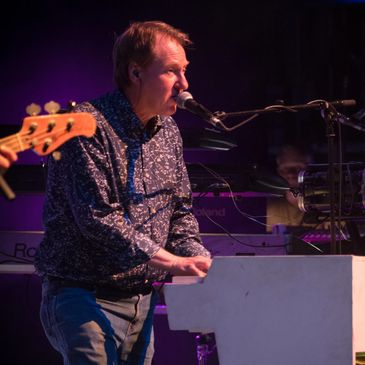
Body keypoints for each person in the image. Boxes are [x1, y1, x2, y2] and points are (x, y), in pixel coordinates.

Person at [34, 20, 212, 365]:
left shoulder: (169, 131)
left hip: (140, 299)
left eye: (185, 71)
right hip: (82, 293)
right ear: (135, 73)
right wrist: (172, 261)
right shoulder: (83, 125)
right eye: (173, 72)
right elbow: (98, 218)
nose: (185, 85)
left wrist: (198, 258)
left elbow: (178, 212)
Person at [266, 144, 313, 232]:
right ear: (278, 171)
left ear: (309, 168)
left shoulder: (326, 208)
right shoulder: (268, 209)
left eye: (297, 167)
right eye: (285, 168)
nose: (291, 174)